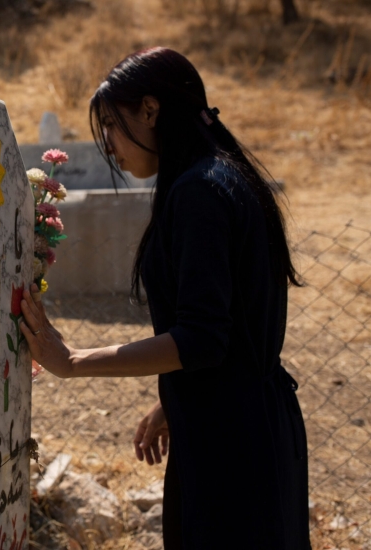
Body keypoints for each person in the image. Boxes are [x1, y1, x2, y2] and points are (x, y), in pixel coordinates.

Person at [19, 47, 310, 549]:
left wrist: (72, 360)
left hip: (231, 446)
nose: (108, 144)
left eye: (112, 123)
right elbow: (235, 327)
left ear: (151, 111)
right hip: (247, 427)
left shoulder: (199, 193)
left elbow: (202, 339)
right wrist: (173, 402)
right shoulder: (222, 178)